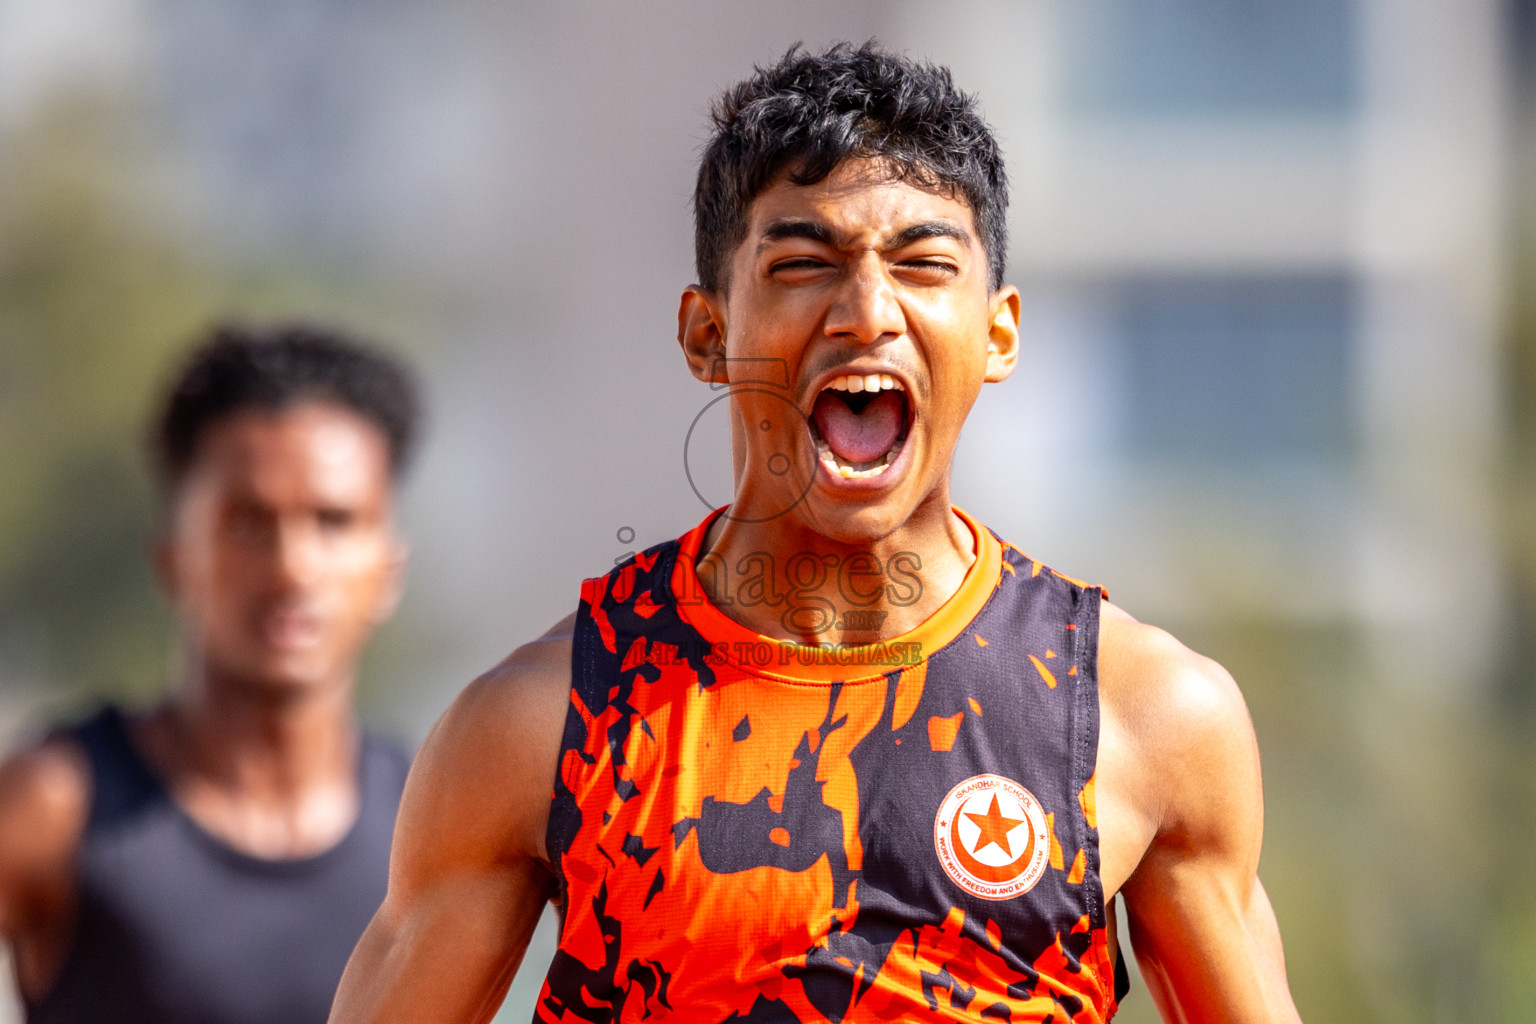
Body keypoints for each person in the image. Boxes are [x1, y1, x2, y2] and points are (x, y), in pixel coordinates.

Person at [330, 43, 1302, 1023]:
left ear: (998, 332)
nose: (866, 313)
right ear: (708, 335)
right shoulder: (544, 724)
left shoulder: (1143, 715)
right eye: (803, 265)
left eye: (922, 265)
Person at [0, 324, 422, 1023]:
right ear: (173, 556)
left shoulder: (433, 829)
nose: (293, 568)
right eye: (249, 523)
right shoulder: (54, 809)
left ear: (389, 569)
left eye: (334, 521)